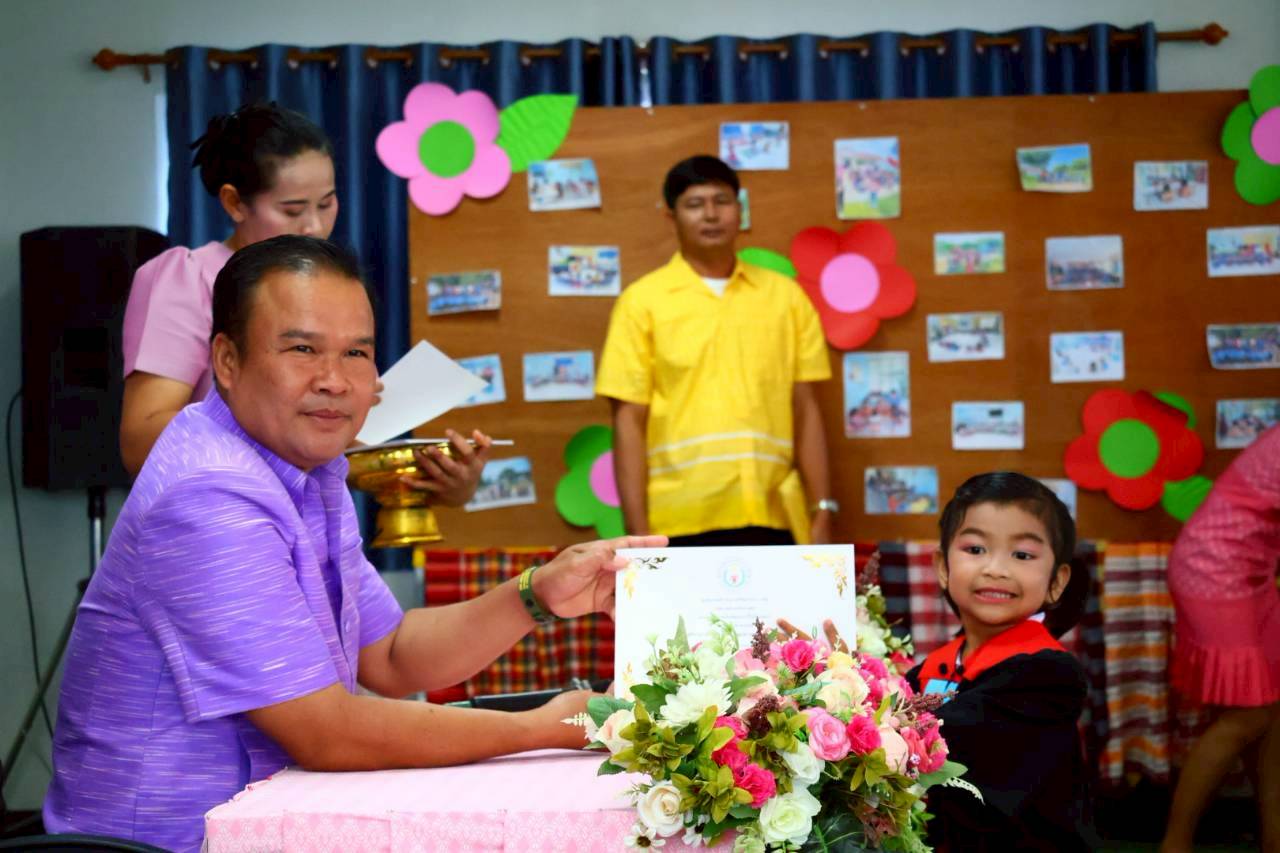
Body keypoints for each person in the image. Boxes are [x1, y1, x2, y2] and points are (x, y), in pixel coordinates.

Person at [44, 235, 667, 852]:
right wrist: (548, 726)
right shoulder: (209, 493)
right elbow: (326, 733)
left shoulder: (307, 470)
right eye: (302, 349)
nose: (335, 381)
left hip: (269, 821)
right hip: (173, 843)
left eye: (356, 353)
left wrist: (537, 594)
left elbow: (390, 656)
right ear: (227, 361)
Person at [119, 101, 483, 500]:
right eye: (292, 209)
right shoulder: (189, 278)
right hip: (222, 520)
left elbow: (324, 461)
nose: (313, 226)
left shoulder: (328, 284)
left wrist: (434, 482)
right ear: (234, 203)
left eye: (326, 204)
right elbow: (142, 441)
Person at [596, 155, 835, 546]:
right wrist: (638, 534)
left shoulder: (786, 298)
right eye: (694, 204)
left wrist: (822, 509)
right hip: (677, 521)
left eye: (722, 201)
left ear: (740, 210)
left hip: (775, 514)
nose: (710, 214)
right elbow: (628, 422)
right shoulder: (641, 303)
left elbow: (806, 408)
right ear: (671, 216)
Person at [906, 472, 1095, 851]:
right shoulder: (933, 667)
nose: (995, 568)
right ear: (943, 567)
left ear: (1057, 581)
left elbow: (951, 731)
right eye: (975, 549)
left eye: (1022, 555)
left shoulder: (1049, 675)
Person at [1161, 425, 1280, 853]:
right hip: (1214, 570)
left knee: (1270, 712)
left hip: (1253, 572)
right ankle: (1175, 845)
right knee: (1250, 716)